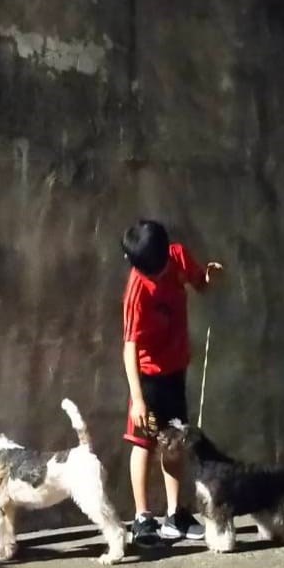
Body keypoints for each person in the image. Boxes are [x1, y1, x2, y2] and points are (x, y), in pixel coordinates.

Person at [119, 220, 224, 546]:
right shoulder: (137, 290)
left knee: (174, 442)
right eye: (149, 272)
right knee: (143, 443)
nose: (156, 276)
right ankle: (142, 519)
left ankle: (175, 516)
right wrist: (137, 399)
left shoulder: (178, 256)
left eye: (159, 268)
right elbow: (129, 347)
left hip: (175, 370)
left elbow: (200, 283)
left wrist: (209, 279)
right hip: (147, 377)